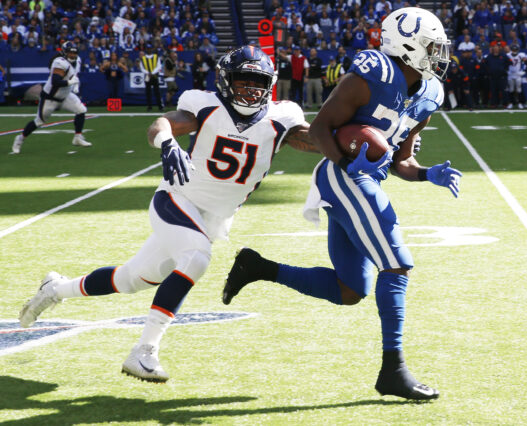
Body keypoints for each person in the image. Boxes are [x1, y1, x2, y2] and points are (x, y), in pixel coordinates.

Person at [18, 46, 316, 383]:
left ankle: (56, 288)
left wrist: (351, 145)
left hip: (213, 218)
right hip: (177, 199)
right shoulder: (205, 106)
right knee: (196, 259)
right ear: (225, 81)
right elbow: (161, 124)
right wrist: (166, 142)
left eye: (257, 82)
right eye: (242, 81)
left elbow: (312, 140)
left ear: (270, 84)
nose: (250, 89)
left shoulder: (283, 117)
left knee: (130, 279)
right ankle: (144, 352)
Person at [222, 8, 461, 401]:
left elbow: (401, 160)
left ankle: (257, 267)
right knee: (397, 264)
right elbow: (319, 128)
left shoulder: (430, 93)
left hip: (361, 177)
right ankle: (393, 371)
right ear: (405, 45)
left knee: (350, 289)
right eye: (431, 46)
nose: (439, 54)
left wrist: (426, 173)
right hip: (343, 175)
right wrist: (350, 163)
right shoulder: (375, 73)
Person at [12, 41, 91, 154]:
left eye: (74, 53)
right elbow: (55, 81)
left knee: (81, 110)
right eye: (70, 53)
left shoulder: (78, 60)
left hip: (65, 96)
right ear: (64, 52)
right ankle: (20, 139)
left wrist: (76, 85)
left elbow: (74, 75)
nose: (73, 55)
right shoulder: (59, 62)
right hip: (50, 98)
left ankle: (77, 137)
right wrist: (70, 83)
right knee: (39, 121)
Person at [141, 42, 164, 111]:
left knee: (157, 92)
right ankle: (149, 106)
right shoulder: (143, 58)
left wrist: (152, 73)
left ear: (152, 49)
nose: (149, 50)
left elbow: (159, 66)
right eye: (148, 49)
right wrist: (148, 73)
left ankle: (160, 106)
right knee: (148, 92)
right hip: (147, 76)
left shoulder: (156, 57)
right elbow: (142, 68)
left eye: (150, 49)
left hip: (154, 76)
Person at [506, 43, 527, 109]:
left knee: (519, 89)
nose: (514, 51)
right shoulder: (508, 55)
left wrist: (523, 71)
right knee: (511, 89)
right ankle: (511, 103)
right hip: (510, 74)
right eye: (513, 49)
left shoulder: (521, 55)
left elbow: (526, 62)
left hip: (518, 74)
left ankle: (520, 103)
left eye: (515, 49)